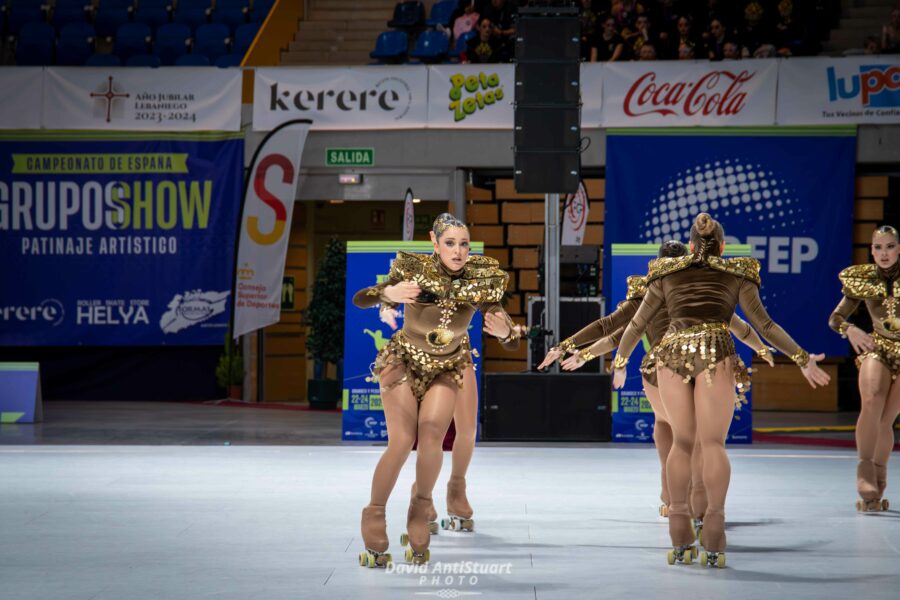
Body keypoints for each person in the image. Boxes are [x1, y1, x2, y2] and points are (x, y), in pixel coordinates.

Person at [611, 213, 830, 568]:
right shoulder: (736, 275)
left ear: (692, 247)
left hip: (672, 355)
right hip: (715, 353)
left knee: (682, 442)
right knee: (711, 443)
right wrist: (802, 358)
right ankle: (713, 528)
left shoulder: (664, 274)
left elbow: (635, 326)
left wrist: (620, 362)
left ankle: (679, 526)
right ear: (723, 247)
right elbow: (766, 325)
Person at [538, 241, 773, 521]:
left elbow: (612, 330)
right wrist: (763, 349)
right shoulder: (701, 288)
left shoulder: (650, 289)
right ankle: (700, 501)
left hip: (662, 370)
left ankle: (672, 497)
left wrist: (573, 349)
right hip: (706, 364)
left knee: (669, 427)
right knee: (700, 437)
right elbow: (742, 328)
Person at [353, 213, 519, 567]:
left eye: (464, 244)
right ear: (434, 242)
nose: (458, 251)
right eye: (450, 243)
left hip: (448, 366)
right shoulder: (413, 269)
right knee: (401, 441)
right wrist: (388, 292)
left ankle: (419, 507)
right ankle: (375, 512)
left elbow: (504, 329)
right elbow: (361, 299)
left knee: (431, 437)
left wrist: (505, 332)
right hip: (403, 361)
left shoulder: (480, 278)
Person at [828, 225, 900, 512]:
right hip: (878, 347)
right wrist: (851, 329)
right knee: (871, 401)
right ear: (871, 251)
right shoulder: (863, 278)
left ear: (899, 248)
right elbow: (835, 318)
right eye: (878, 247)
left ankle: (879, 472)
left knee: (887, 418)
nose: (884, 253)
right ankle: (864, 470)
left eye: (890, 246)